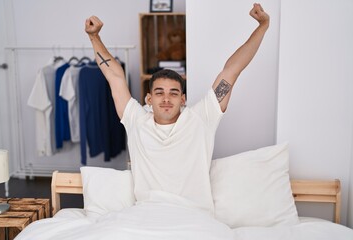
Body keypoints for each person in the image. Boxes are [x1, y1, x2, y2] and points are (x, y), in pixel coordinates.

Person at [85, 3, 269, 214]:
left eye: (173, 93)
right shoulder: (137, 120)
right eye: (159, 92)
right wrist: (94, 37)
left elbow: (232, 69)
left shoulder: (201, 118)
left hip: (195, 216)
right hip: (146, 215)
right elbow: (114, 76)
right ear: (148, 99)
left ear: (183, 100)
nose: (166, 99)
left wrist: (263, 25)